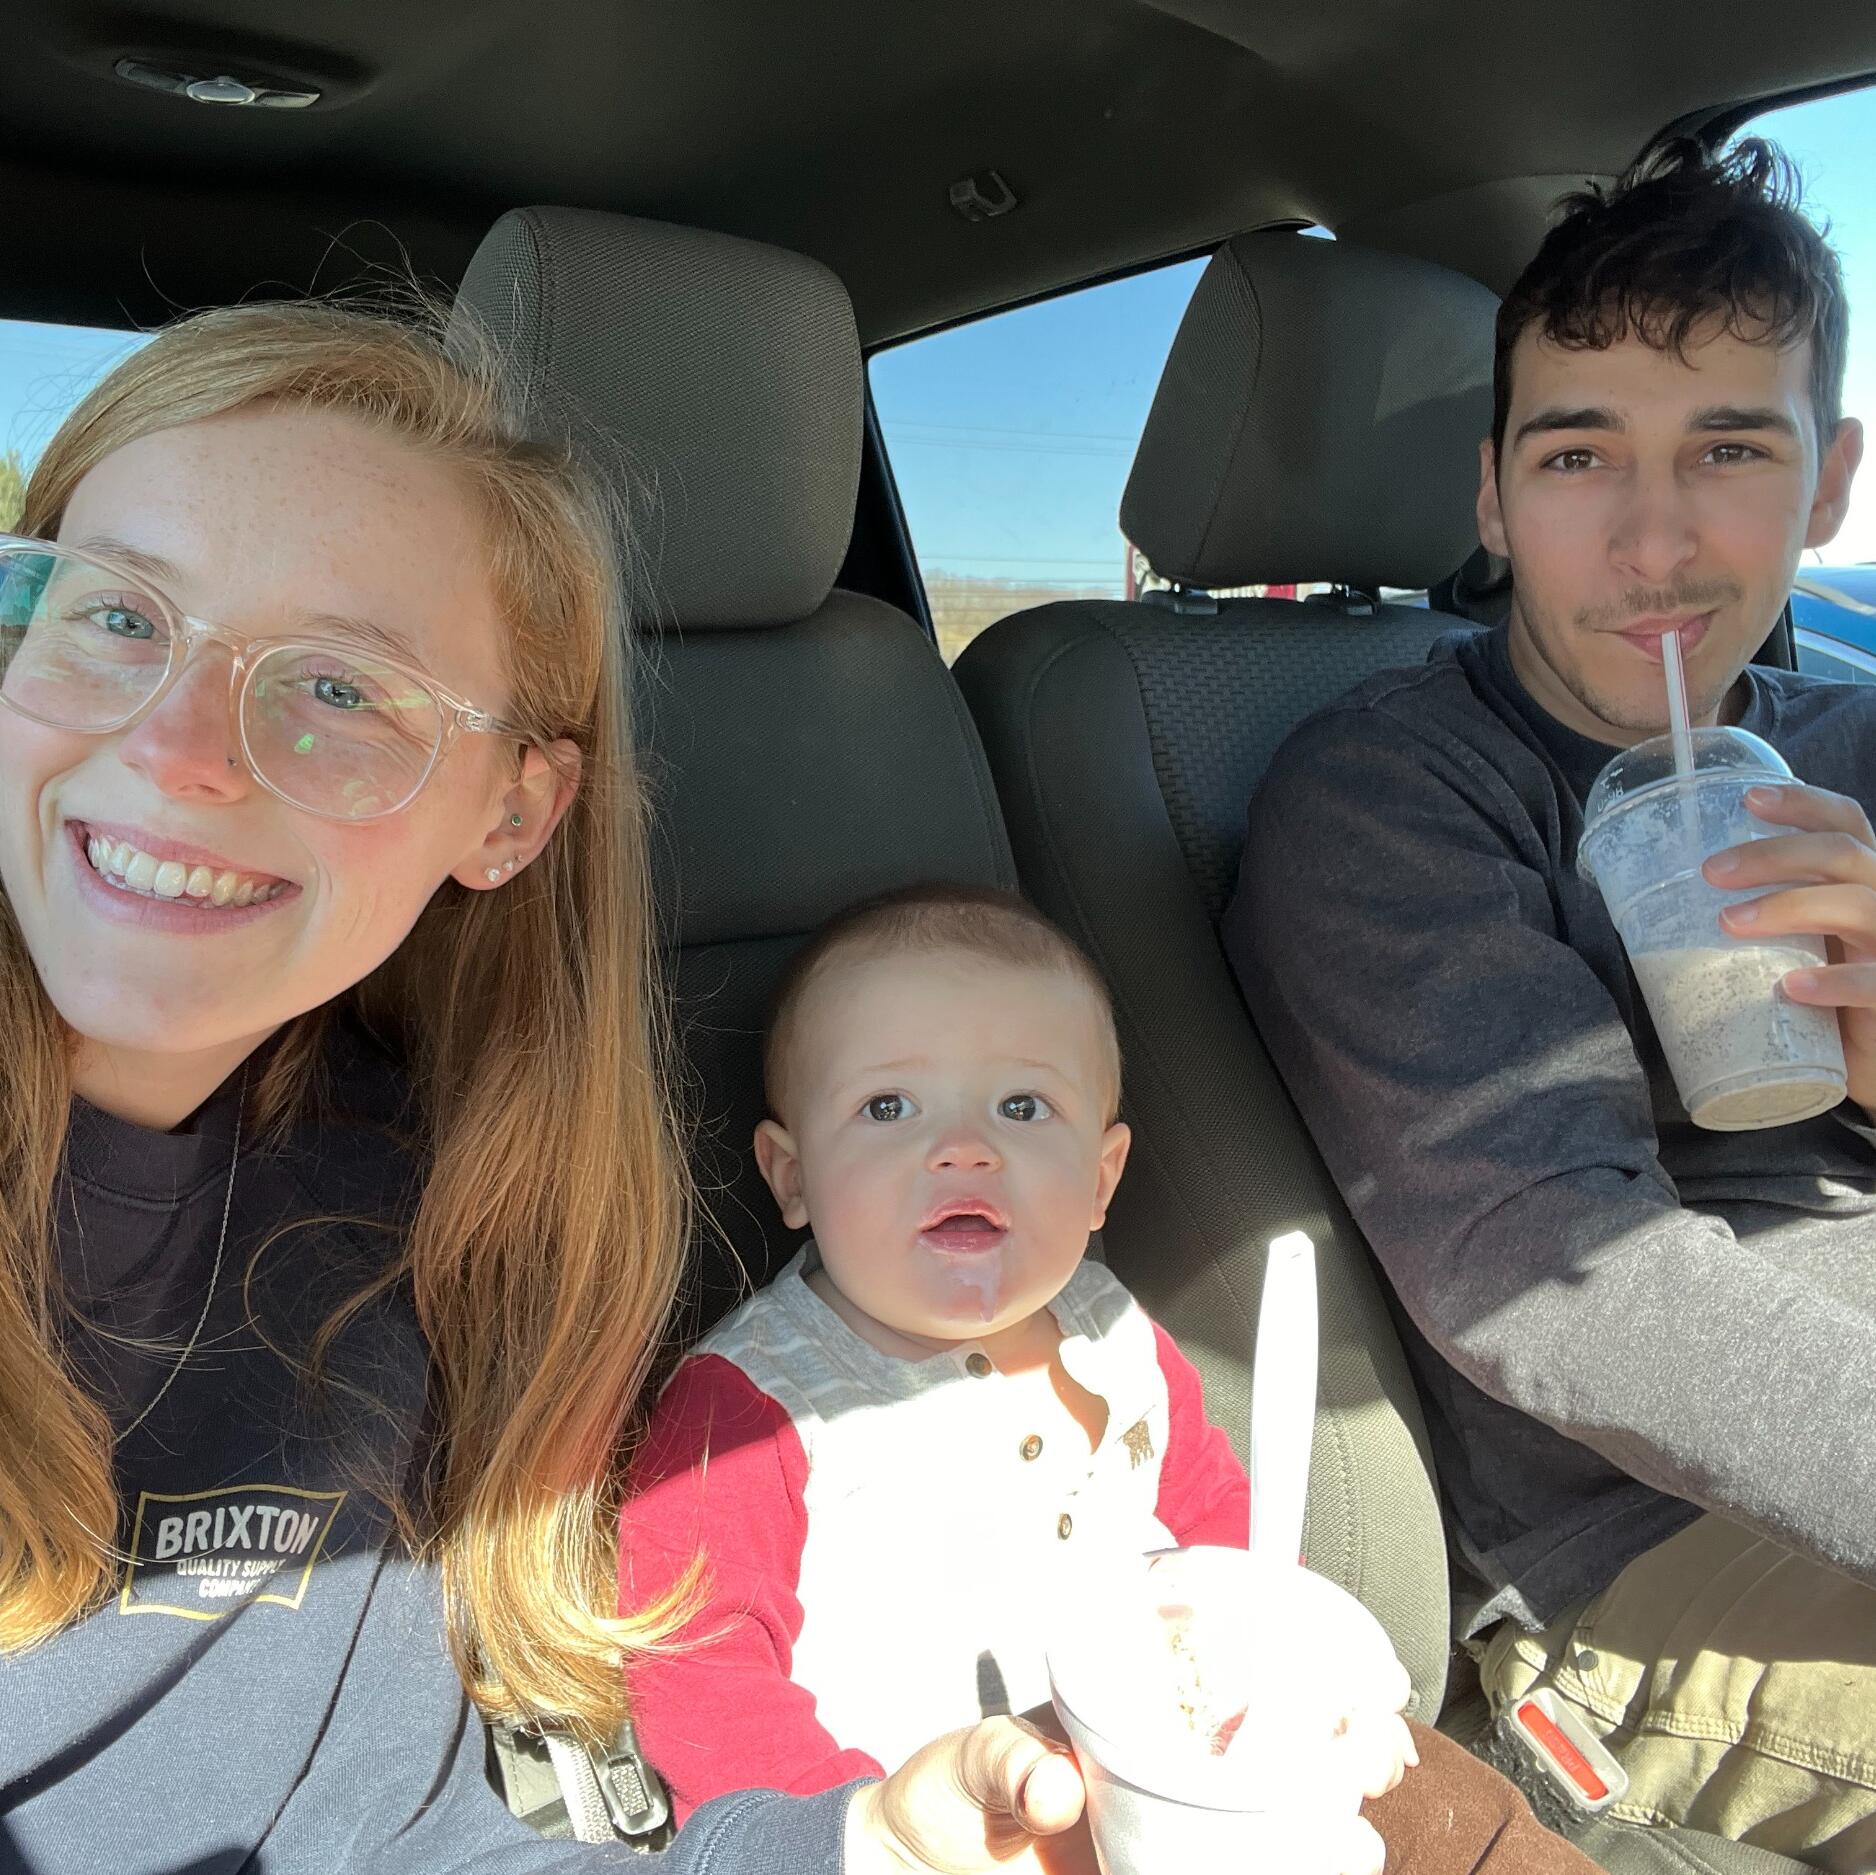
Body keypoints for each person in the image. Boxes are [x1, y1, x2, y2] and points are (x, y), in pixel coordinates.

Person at [0, 299, 1110, 1875]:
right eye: (116, 615)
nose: (180, 745)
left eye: (339, 687)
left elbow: (403, 1837)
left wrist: (867, 1849)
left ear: (512, 815)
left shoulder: (396, 1196)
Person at [1226, 138, 1876, 1867]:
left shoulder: (1855, 754)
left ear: (1830, 484)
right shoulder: (1392, 796)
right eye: (1580, 455)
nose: (1653, 538)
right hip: (1647, 1556)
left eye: (1730, 448)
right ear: (1495, 499)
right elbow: (1566, 1289)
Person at [620, 882, 1604, 1875]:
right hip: (946, 1824)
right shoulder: (749, 1408)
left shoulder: (1113, 1326)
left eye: (1020, 1105)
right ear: (792, 1177)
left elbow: (1218, 1520)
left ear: (1100, 1180)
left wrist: (1300, 1681)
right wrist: (850, 1835)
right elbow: (697, 1676)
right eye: (888, 1106)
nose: (962, 1147)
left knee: (1446, 1808)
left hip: (1187, 1762)